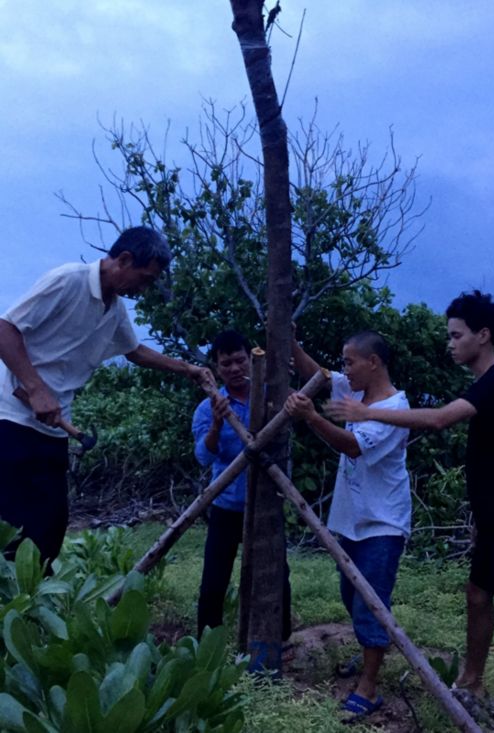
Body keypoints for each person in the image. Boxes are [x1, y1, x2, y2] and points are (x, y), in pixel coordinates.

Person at [325, 291, 494, 733]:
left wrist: (365, 411)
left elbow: (440, 419)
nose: (449, 343)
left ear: (483, 336)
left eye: (456, 335)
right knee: (477, 595)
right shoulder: (485, 384)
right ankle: (473, 680)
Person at [0, 226, 213, 567]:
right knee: (11, 529)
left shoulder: (113, 310)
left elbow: (136, 351)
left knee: (50, 529)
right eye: (143, 279)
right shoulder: (67, 281)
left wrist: (187, 368)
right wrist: (37, 389)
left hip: (55, 428)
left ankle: (33, 613)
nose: (142, 290)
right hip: (12, 420)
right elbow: (5, 328)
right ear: (124, 259)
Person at [285, 329, 411, 718]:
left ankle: (369, 687)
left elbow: (352, 446)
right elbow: (319, 376)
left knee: (370, 606)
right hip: (352, 521)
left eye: (350, 362)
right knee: (351, 596)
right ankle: (369, 654)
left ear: (373, 362)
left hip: (382, 523)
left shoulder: (395, 409)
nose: (345, 369)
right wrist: (290, 340)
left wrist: (309, 417)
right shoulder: (355, 392)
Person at [192, 330, 292, 641]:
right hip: (226, 505)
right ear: (217, 368)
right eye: (226, 364)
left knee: (277, 575)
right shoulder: (208, 408)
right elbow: (203, 457)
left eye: (239, 361)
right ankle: (207, 642)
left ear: (251, 359)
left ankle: (280, 639)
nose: (235, 369)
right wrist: (219, 425)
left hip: (264, 504)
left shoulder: (271, 398)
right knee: (214, 580)